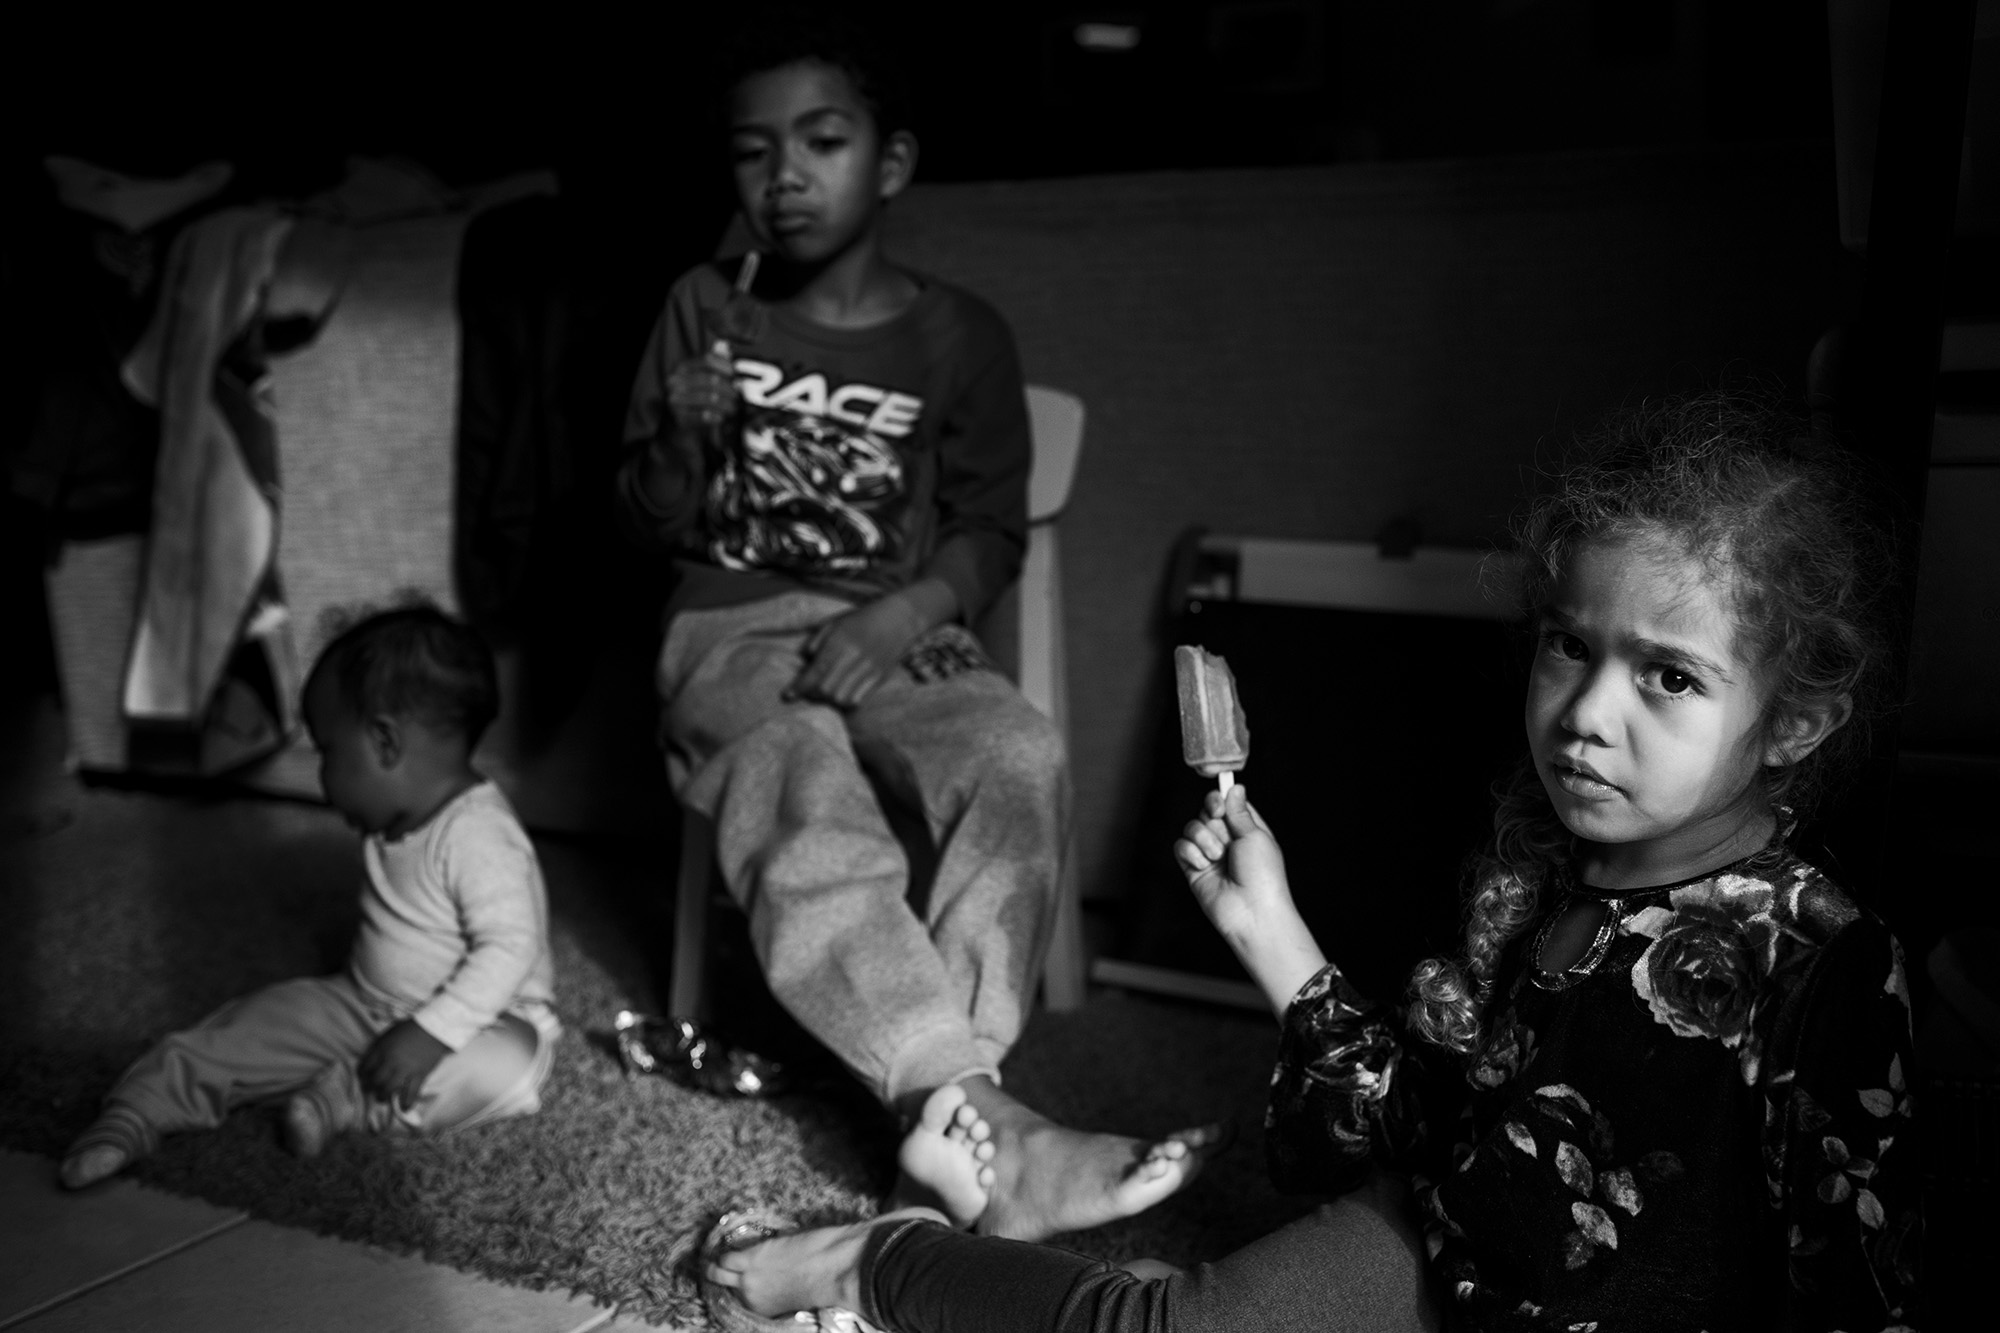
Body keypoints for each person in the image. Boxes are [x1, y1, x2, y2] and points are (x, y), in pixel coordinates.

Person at [704, 392, 1923, 1332]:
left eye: (1668, 675)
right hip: (1439, 1250)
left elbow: (1857, 1275)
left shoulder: (1823, 961)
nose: (1585, 714)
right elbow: (1423, 1127)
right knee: (1155, 1322)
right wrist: (1271, 935)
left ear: (1798, 717)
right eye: (1568, 646)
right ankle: (879, 1257)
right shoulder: (1540, 874)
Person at [616, 13, 1211, 1241]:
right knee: (796, 771)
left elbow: (990, 531)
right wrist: (678, 432)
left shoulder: (959, 334)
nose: (783, 175)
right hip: (731, 625)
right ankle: (984, 1124)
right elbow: (648, 521)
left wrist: (901, 613)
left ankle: (955, 1125)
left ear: (888, 164)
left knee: (1014, 754)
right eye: (751, 151)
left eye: (821, 141)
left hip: (895, 622)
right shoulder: (700, 306)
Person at [60, 605, 560, 1188]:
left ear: (383, 742)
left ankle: (348, 1098)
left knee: (508, 1072)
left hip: (488, 1022)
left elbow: (510, 946)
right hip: (364, 1003)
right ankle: (133, 1114)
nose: (321, 775)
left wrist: (431, 1033)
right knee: (251, 1026)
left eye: (326, 752)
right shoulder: (395, 817)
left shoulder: (480, 836)